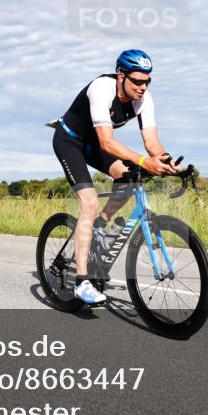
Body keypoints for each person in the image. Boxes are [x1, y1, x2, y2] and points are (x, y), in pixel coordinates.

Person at [49, 49, 179, 306]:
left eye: (147, 81)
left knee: (130, 178)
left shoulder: (144, 100)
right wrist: (143, 161)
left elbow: (152, 144)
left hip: (94, 144)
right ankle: (82, 282)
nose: (143, 87)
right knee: (89, 202)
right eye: (138, 81)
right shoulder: (101, 88)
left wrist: (167, 162)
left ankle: (101, 224)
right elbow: (107, 142)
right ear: (121, 76)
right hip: (70, 141)